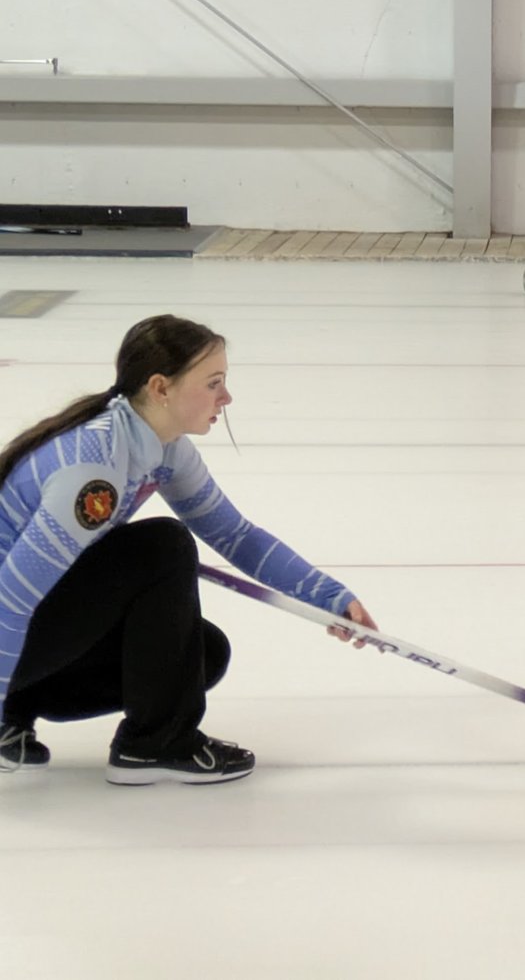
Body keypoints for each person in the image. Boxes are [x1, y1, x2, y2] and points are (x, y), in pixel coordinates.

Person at [0, 313, 376, 785]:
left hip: (32, 634)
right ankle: (155, 744)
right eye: (213, 383)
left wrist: (331, 598)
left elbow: (236, 536)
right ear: (161, 388)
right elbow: (11, 600)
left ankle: (21, 705)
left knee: (199, 655)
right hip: (9, 616)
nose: (226, 397)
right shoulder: (94, 467)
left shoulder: (160, 448)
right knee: (162, 545)